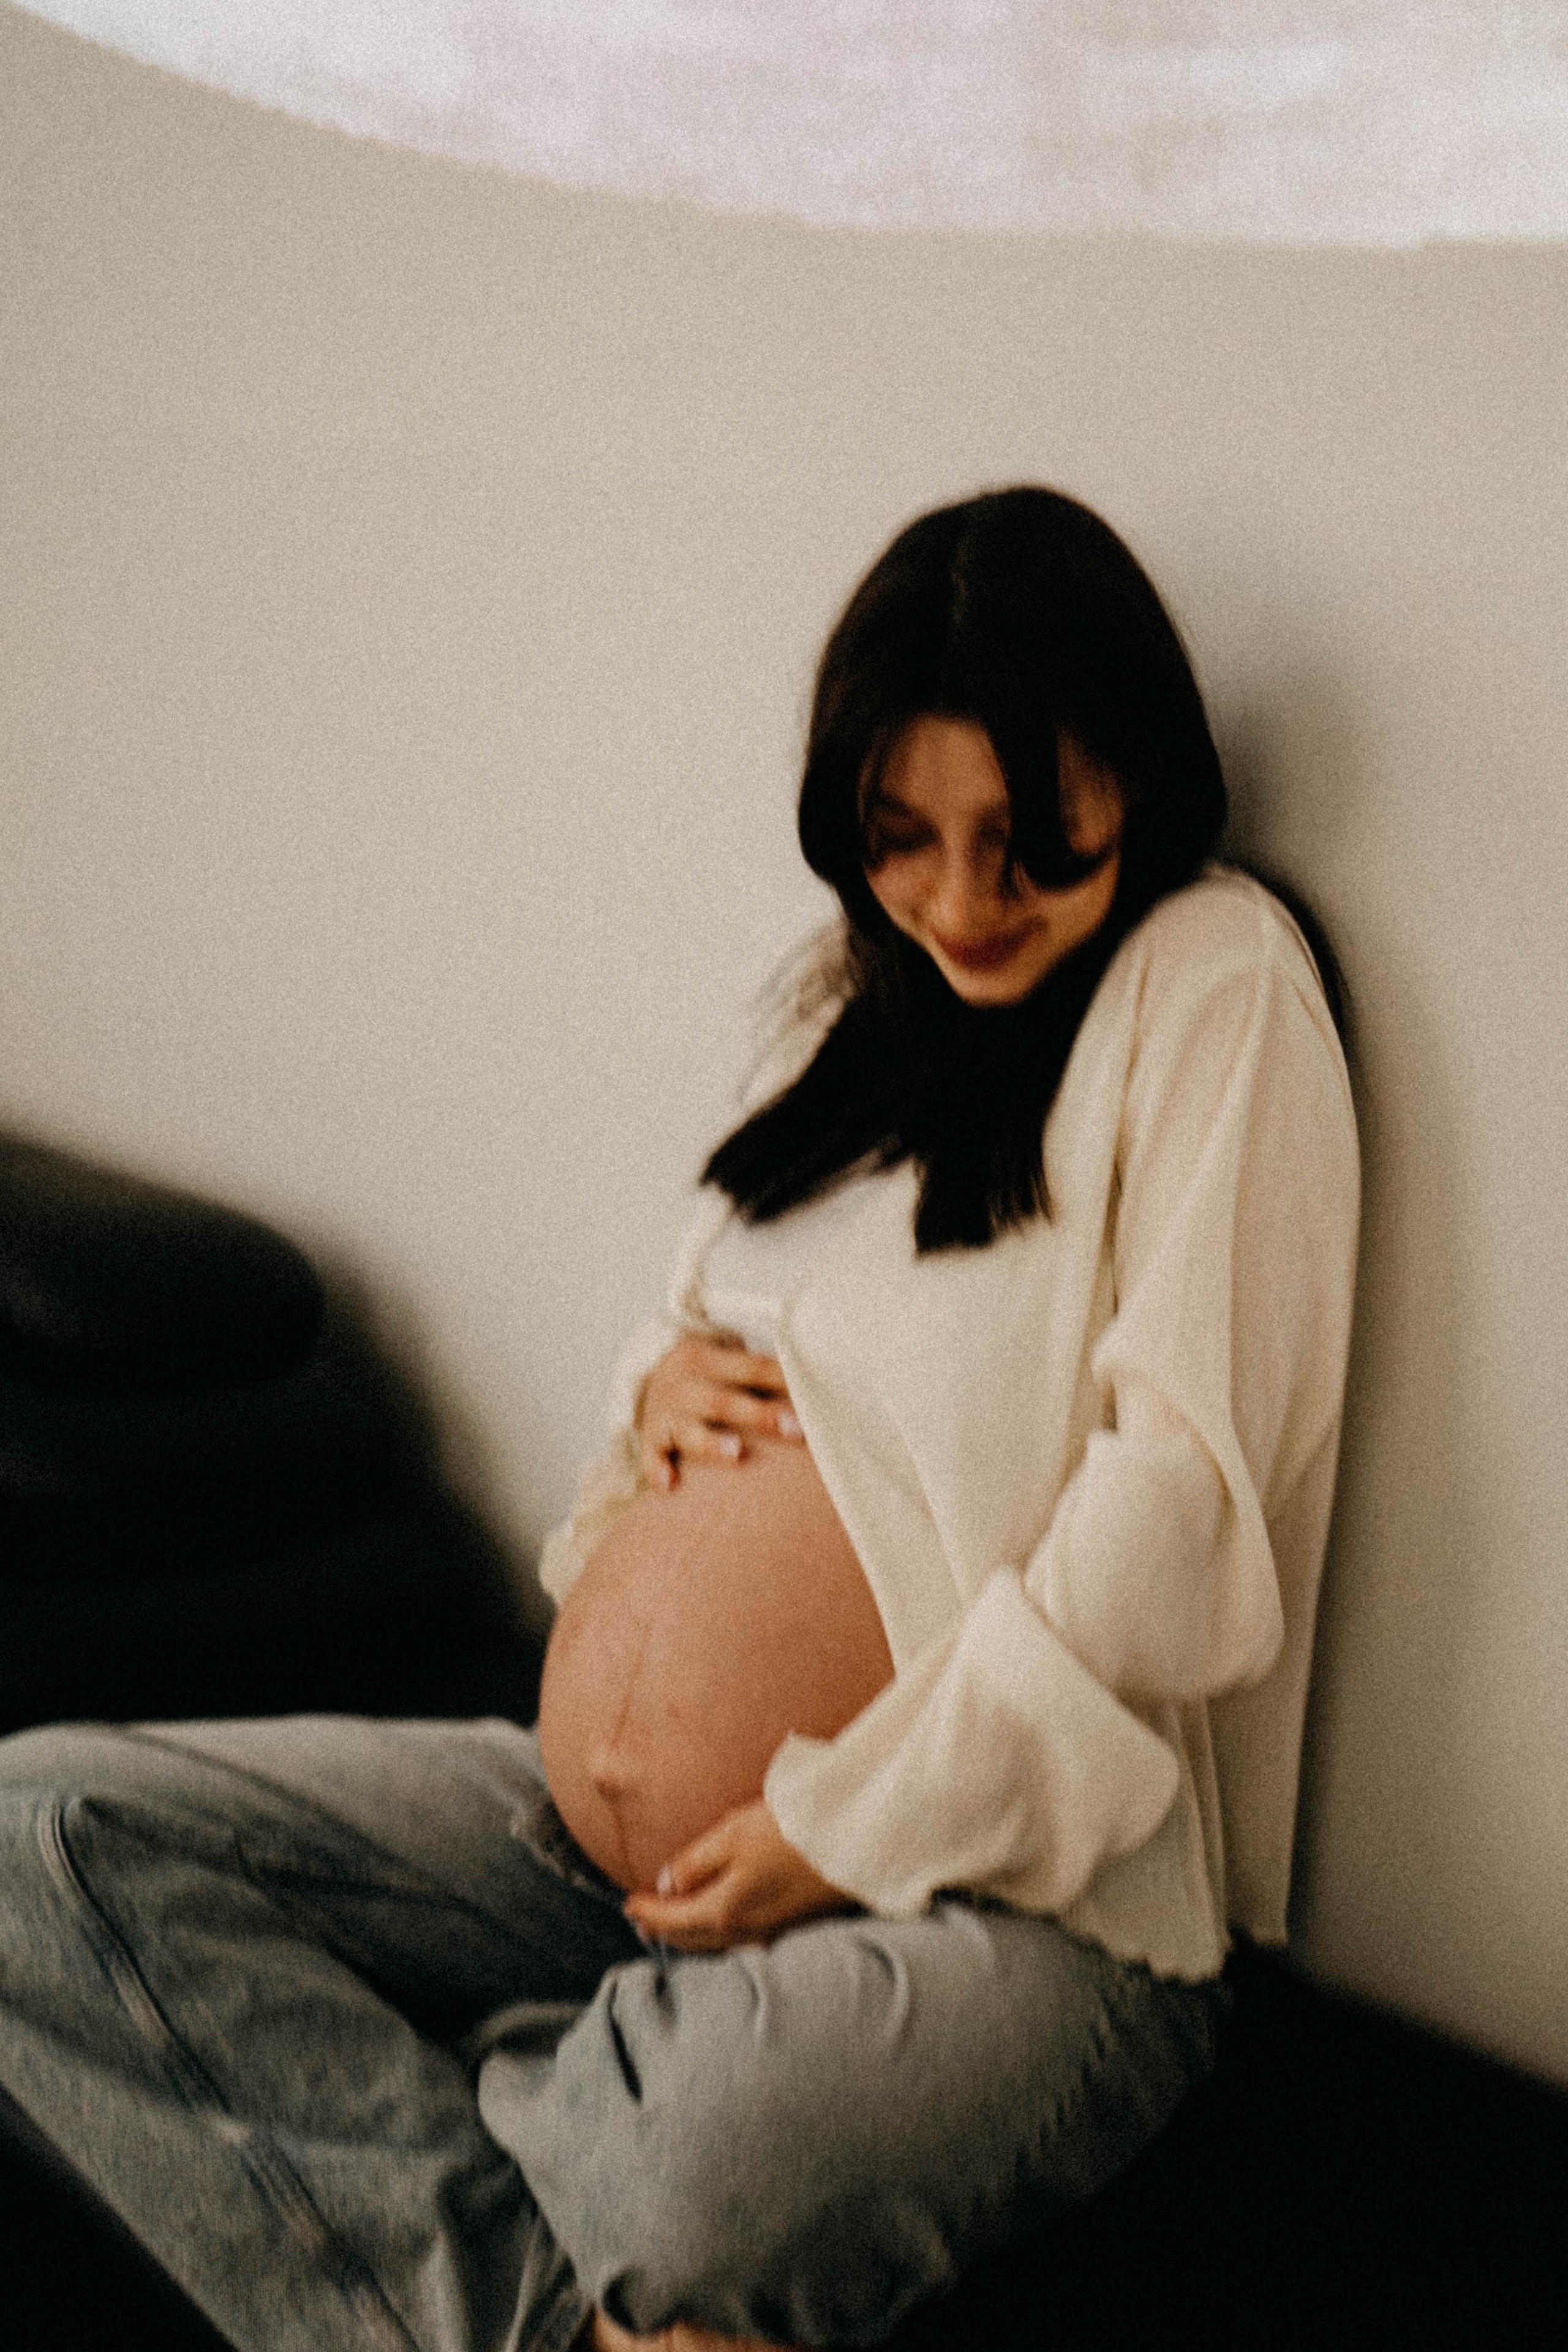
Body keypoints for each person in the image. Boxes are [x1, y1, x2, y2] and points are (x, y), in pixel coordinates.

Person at [0, 486, 1359, 2352]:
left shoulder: (1213, 983)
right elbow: (641, 1458)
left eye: (1027, 839)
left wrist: (844, 1821)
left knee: (682, 2183)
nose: (964, 899)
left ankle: (511, 2162)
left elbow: (1181, 1515)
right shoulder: (845, 1024)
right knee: (36, 1842)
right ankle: (579, 2301)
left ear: (1138, 772)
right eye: (904, 839)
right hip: (628, 1872)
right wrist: (647, 1416)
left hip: (1019, 1902)